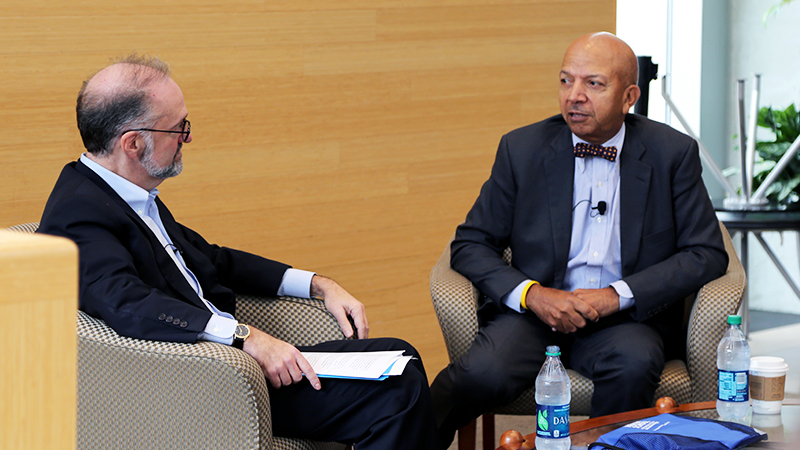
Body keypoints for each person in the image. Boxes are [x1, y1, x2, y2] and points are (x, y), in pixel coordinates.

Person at [38, 54, 439, 450]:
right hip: (201, 385)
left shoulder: (129, 194)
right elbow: (127, 304)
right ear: (133, 143)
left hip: (228, 367)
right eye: (179, 128)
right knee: (397, 392)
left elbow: (212, 260)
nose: (188, 138)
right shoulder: (78, 213)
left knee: (401, 357)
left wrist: (319, 285)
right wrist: (246, 337)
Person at [430, 32, 729, 447]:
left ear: (629, 97)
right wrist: (533, 294)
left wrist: (615, 295)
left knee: (632, 364)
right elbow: (470, 244)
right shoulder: (522, 149)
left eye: (594, 84)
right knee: (480, 373)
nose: (575, 96)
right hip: (533, 315)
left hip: (623, 321)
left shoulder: (671, 153)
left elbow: (706, 254)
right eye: (566, 81)